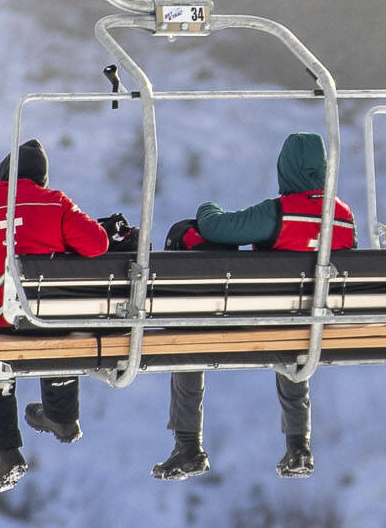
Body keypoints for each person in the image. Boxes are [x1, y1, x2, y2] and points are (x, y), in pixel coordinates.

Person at [151, 131, 354, 483]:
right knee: (296, 340)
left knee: (187, 338)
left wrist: (206, 207)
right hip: (313, 323)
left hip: (262, 319)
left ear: (286, 168)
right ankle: (298, 445)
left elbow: (217, 228)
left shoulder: (280, 212)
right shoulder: (343, 215)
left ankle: (188, 445)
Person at [0, 138, 110, 493]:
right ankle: (62, 417)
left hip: (2, 325)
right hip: (50, 324)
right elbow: (98, 244)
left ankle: (6, 452)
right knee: (65, 333)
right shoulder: (55, 204)